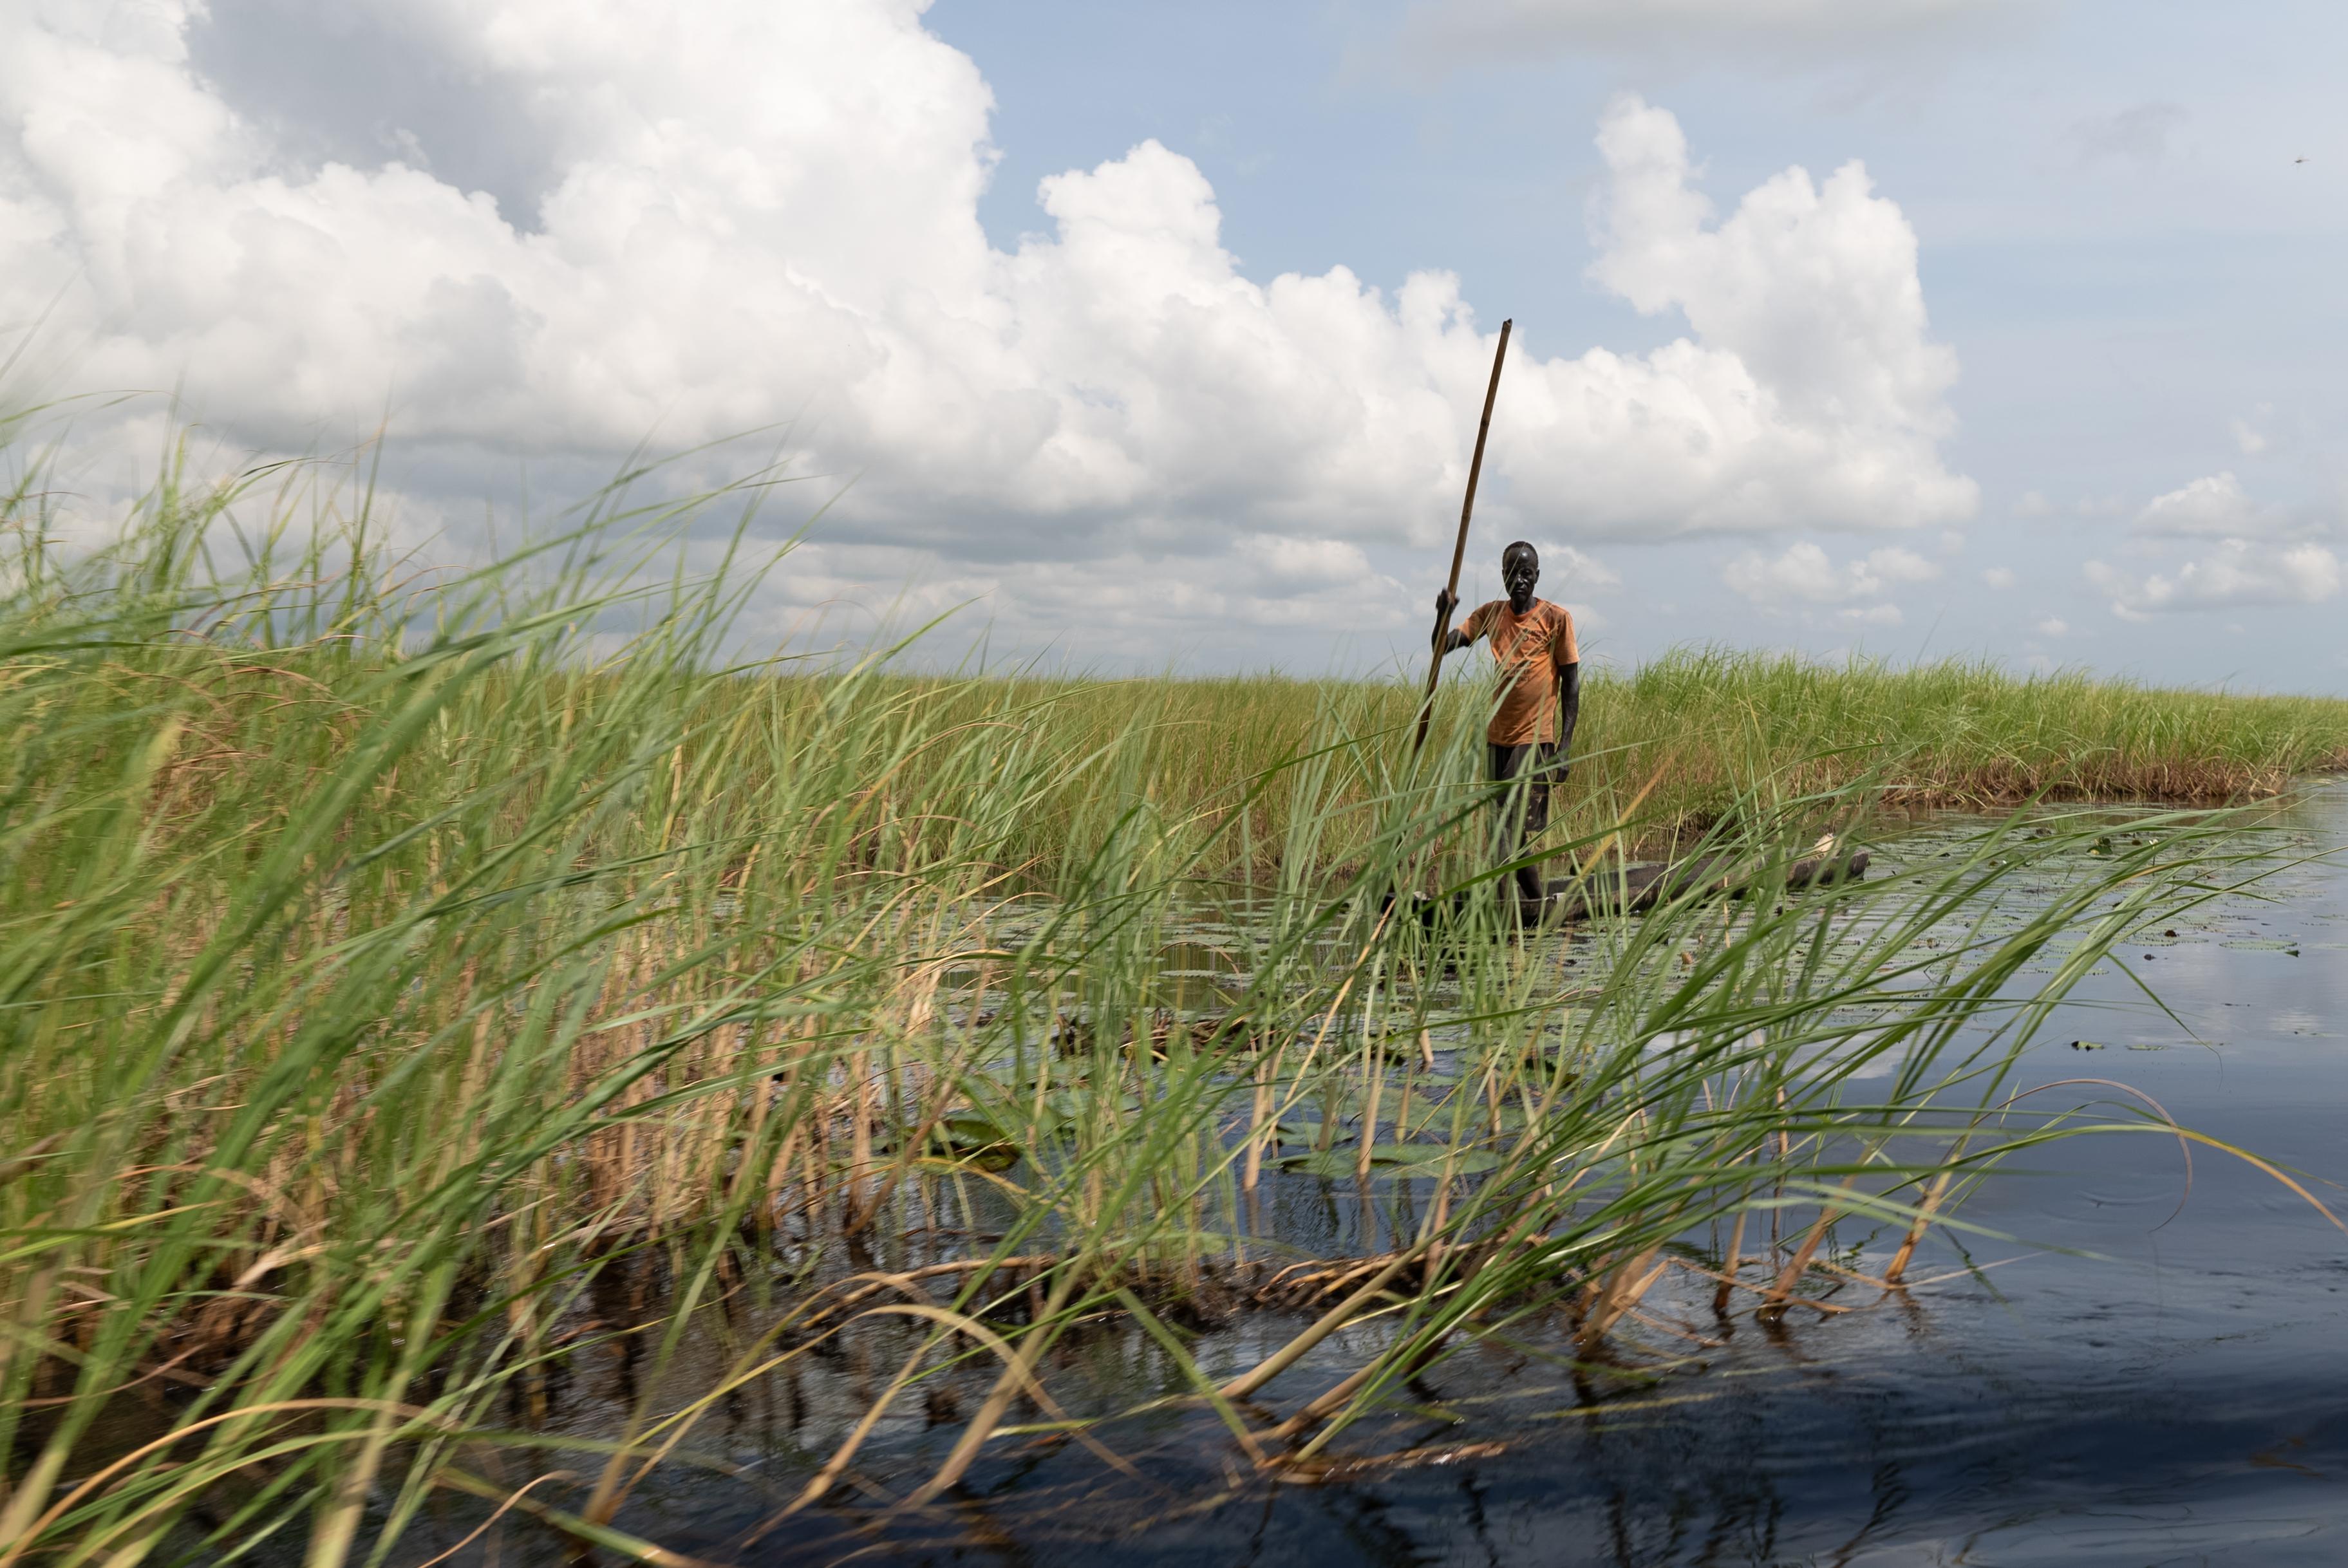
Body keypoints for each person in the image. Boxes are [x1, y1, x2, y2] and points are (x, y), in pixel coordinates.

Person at [1434, 541, 1581, 913]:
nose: (1520, 580)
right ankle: (1532, 903)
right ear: (1503, 577)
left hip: (1534, 742)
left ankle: (1513, 908)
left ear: (1537, 576)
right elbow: (1442, 646)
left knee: (1509, 834)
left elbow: (1572, 684)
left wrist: (1564, 747)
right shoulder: (1491, 615)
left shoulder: (1556, 619)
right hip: (1496, 740)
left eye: (1527, 573)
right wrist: (1442, 614)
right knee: (1505, 832)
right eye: (1512, 573)